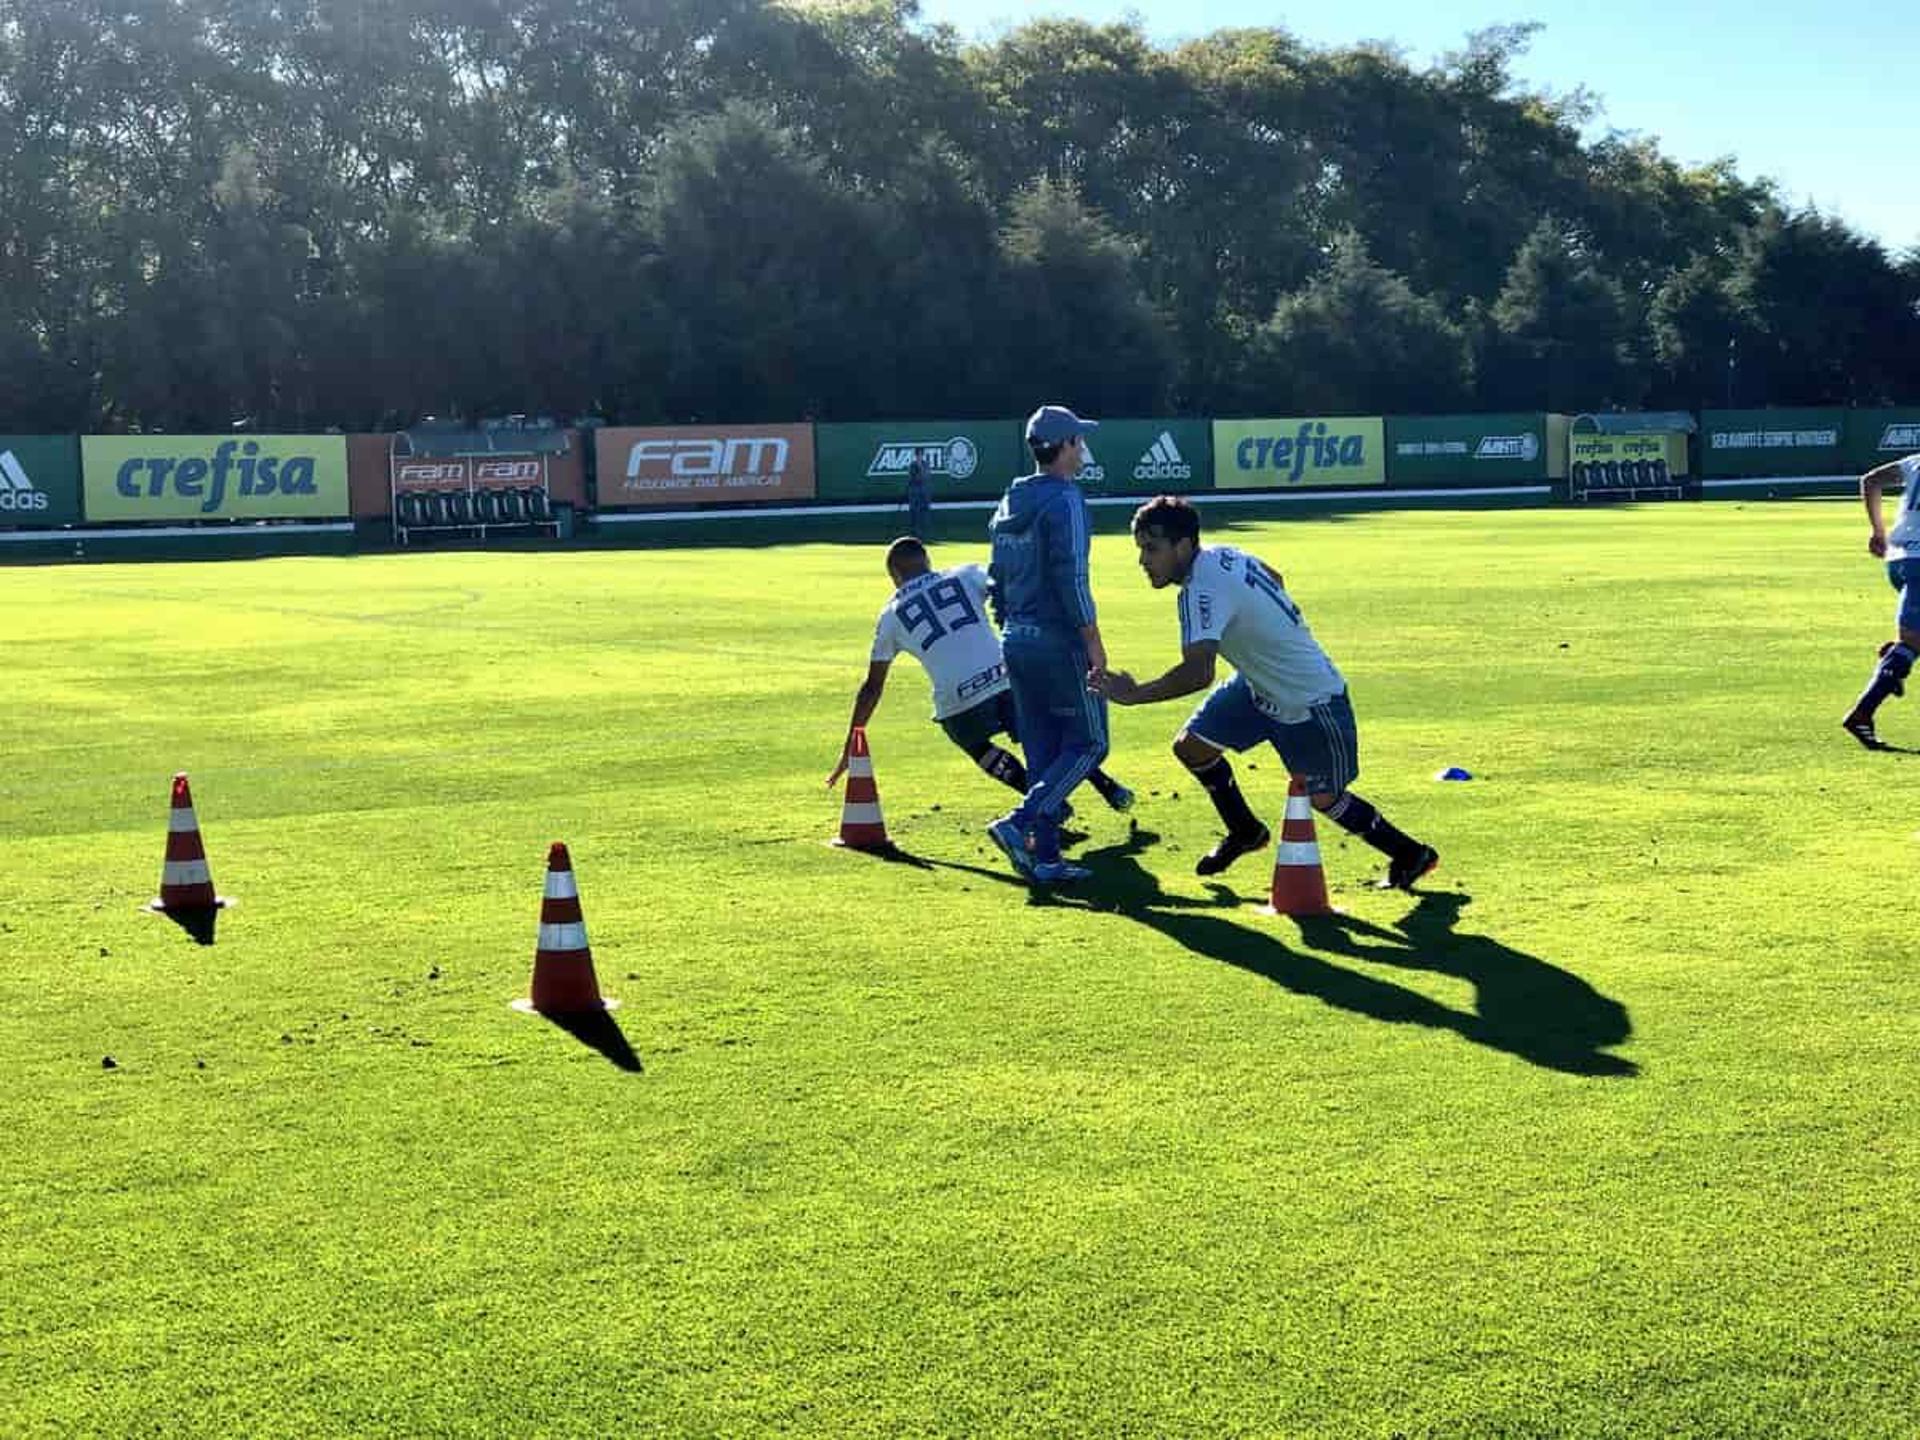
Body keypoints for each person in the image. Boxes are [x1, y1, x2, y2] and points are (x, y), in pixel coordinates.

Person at [1094, 495, 1438, 891]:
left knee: (1323, 797)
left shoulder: (1199, 590)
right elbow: (1275, 578)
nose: (1143, 561)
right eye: (1141, 549)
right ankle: (1245, 832)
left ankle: (1411, 854)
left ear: (1184, 546)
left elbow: (1197, 673)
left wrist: (1134, 694)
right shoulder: (1225, 554)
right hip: (1258, 688)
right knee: (1192, 747)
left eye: (1151, 549)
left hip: (1309, 700)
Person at [828, 537, 1134, 814]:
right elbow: (1014, 589)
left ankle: (1040, 801)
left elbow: (872, 688)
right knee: (1049, 735)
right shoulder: (964, 574)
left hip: (959, 703)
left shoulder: (890, 615)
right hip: (1006, 679)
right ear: (928, 561)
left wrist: (850, 746)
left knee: (978, 746)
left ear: (895, 577)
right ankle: (1108, 786)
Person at [984, 405, 1112, 883]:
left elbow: (996, 578)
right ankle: (1019, 824)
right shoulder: (1066, 501)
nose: (1083, 449)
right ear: (1064, 447)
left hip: (1015, 638)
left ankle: (1048, 860)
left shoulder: (1009, 501)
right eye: (1078, 440)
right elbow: (1072, 577)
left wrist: (1009, 626)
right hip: (1059, 642)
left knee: (1043, 749)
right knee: (1090, 743)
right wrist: (1093, 642)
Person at [1841, 451, 1920, 749]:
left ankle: (1896, 659)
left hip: (1898, 560)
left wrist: (1878, 531)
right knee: (1912, 641)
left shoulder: (1915, 461)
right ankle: (1863, 711)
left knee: (1912, 639)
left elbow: (1871, 480)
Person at [905, 456, 933, 537]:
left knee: (925, 511)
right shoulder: (912, 465)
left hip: (924, 492)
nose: (919, 457)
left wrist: (922, 471)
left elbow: (927, 476)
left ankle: (925, 529)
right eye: (918, 455)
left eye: (921, 455)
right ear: (916, 456)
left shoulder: (925, 464)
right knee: (914, 511)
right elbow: (913, 478)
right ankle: (914, 530)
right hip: (914, 492)